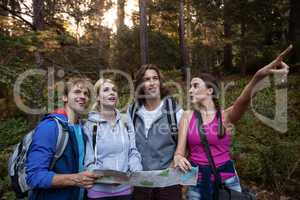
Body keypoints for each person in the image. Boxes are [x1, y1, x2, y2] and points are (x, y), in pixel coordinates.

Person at [173, 45, 292, 200]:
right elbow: (180, 152)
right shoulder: (187, 116)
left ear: (210, 91)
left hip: (226, 180)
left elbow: (243, 100)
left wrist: (258, 76)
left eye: (195, 85)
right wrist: (178, 158)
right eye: (190, 87)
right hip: (197, 182)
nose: (190, 90)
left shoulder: (225, 116)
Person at [26, 77, 100, 200]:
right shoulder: (50, 127)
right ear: (64, 97)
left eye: (86, 94)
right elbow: (34, 176)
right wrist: (75, 179)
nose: (82, 96)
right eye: (77, 92)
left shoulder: (84, 129)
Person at [129, 64, 184, 200]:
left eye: (155, 78)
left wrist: (170, 172)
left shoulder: (175, 112)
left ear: (160, 82)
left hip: (168, 184)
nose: (152, 83)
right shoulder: (132, 112)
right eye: (147, 79)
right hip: (140, 183)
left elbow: (185, 145)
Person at [84, 78, 142, 200]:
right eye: (106, 90)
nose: (112, 93)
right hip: (98, 192)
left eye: (114, 90)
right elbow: (88, 161)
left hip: (124, 190)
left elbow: (132, 151)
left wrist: (136, 170)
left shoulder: (126, 120)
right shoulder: (89, 124)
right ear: (98, 98)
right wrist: (108, 178)